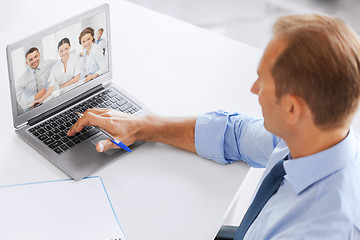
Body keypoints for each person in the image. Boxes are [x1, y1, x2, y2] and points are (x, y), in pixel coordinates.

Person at [68, 14, 360, 239]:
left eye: (263, 81)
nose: (253, 88)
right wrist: (144, 126)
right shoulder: (316, 134)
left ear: (292, 108)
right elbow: (235, 134)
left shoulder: (320, 228)